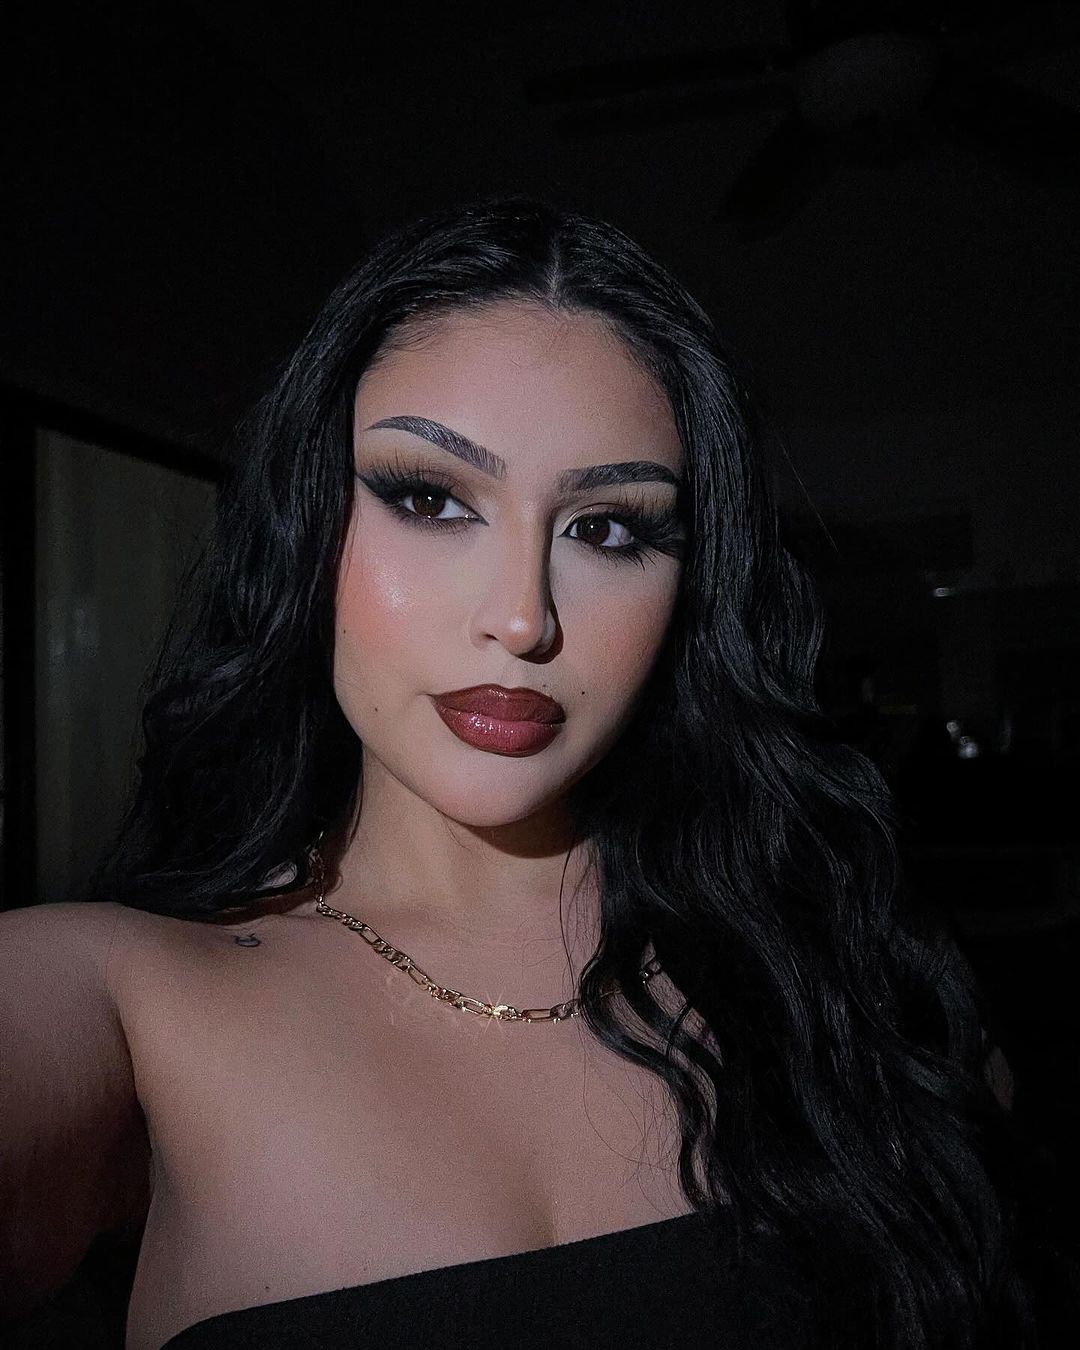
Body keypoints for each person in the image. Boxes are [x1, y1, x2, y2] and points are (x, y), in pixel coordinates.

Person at [1, 196, 1073, 1350]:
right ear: (307, 526)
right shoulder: (119, 997)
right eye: (430, 499)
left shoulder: (836, 968)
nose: (521, 619)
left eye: (606, 529)